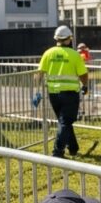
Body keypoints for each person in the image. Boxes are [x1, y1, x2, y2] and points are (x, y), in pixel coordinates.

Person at [35, 26, 88, 158]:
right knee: (65, 122)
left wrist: (37, 91)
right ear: (69, 39)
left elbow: (39, 74)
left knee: (64, 121)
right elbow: (83, 74)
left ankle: (73, 147)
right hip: (70, 94)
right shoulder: (74, 54)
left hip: (53, 94)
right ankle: (57, 152)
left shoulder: (48, 53)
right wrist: (85, 85)